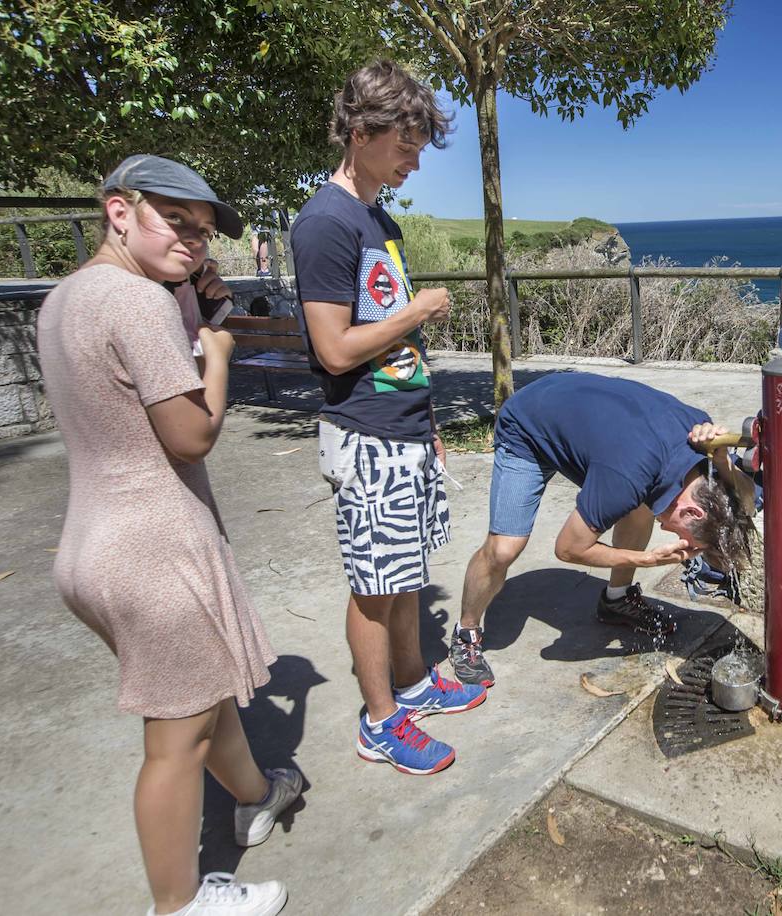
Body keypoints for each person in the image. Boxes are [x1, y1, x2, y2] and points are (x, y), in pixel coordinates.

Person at [36, 154, 300, 916]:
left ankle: (255, 798)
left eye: (204, 232)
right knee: (174, 744)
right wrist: (216, 356)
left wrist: (192, 313)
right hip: (154, 549)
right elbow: (189, 435)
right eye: (175, 222)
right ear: (120, 211)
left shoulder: (67, 300)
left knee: (204, 696)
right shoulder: (138, 303)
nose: (193, 241)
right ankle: (178, 904)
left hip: (91, 544)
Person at [291, 60, 485, 778]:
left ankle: (411, 684)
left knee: (405, 571)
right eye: (405, 143)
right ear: (363, 131)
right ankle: (380, 722)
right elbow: (335, 349)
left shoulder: (380, 220)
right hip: (364, 435)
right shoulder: (324, 224)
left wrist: (425, 418)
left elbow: (394, 347)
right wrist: (417, 310)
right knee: (373, 585)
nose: (414, 158)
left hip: (403, 428)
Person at [448, 372, 757, 687]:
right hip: (527, 423)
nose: (675, 538)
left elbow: (746, 497)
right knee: (504, 548)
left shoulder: (703, 449)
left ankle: (617, 600)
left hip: (578, 408)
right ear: (692, 510)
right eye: (686, 540)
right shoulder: (626, 480)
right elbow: (569, 548)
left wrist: (724, 461)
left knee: (643, 506)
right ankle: (465, 632)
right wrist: (648, 560)